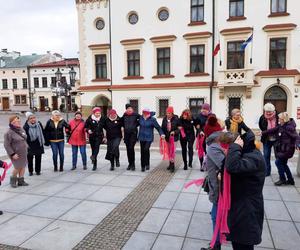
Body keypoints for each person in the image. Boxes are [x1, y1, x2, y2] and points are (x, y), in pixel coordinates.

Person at [226, 131, 266, 250]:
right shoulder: (250, 154)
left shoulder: (253, 157)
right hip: (243, 207)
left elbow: (232, 166)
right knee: (238, 241)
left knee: (243, 243)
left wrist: (235, 147)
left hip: (247, 210)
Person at [201, 131, 235, 250]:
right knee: (216, 215)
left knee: (216, 216)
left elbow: (228, 166)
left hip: (222, 187)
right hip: (218, 186)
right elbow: (226, 165)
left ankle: (216, 244)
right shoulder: (214, 148)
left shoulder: (217, 147)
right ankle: (216, 243)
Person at [262, 112, 300, 186]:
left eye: (280, 118)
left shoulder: (289, 127)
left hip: (287, 149)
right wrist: (263, 133)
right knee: (284, 164)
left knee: (278, 162)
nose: (278, 119)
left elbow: (296, 137)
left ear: (283, 119)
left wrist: (297, 144)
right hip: (282, 148)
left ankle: (282, 179)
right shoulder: (281, 125)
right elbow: (272, 130)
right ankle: (290, 180)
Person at [4, 115, 29, 188]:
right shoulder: (8, 132)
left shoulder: (21, 129)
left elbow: (24, 138)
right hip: (15, 154)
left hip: (23, 152)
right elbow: (6, 145)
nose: (18, 122)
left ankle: (21, 181)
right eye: (16, 121)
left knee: (23, 166)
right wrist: (12, 154)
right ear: (12, 123)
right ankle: (13, 181)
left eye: (18, 121)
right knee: (17, 167)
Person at [259, 103, 278, 176]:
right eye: (267, 111)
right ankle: (267, 171)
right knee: (266, 155)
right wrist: (265, 132)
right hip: (266, 139)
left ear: (273, 111)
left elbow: (279, 127)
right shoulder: (262, 117)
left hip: (277, 139)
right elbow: (261, 126)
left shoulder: (277, 116)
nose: (268, 113)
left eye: (270, 111)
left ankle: (280, 171)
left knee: (277, 156)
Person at [122, 104, 140, 171]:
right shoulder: (124, 115)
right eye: (128, 108)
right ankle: (130, 164)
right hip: (126, 135)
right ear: (126, 109)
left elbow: (142, 118)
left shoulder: (135, 114)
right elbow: (120, 122)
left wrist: (136, 124)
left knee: (131, 148)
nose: (129, 109)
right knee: (128, 149)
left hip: (133, 134)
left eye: (130, 108)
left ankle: (133, 164)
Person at [161, 106, 180, 172]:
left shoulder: (176, 119)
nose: (168, 114)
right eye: (167, 113)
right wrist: (162, 134)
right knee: (169, 151)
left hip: (174, 138)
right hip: (167, 138)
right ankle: (170, 164)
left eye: (169, 113)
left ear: (172, 113)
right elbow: (162, 128)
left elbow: (180, 129)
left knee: (172, 151)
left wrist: (174, 132)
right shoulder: (164, 119)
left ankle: (173, 166)